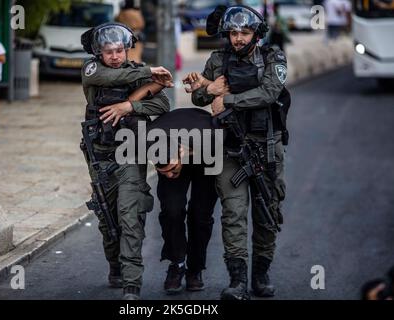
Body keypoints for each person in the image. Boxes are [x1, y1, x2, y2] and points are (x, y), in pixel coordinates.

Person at [190, 5, 289, 300]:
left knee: (267, 214)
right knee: (233, 215)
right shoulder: (218, 60)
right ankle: (237, 280)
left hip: (267, 149)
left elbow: (269, 92)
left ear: (256, 34)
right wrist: (209, 90)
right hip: (230, 150)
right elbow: (198, 95)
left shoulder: (273, 58)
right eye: (233, 33)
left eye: (244, 32)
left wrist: (228, 98)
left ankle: (261, 273)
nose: (238, 38)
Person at [80, 22, 171, 300]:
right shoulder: (92, 70)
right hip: (101, 156)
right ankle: (115, 265)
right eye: (109, 52)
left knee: (130, 217)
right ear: (99, 53)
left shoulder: (137, 73)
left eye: (120, 50)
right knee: (108, 219)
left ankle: (132, 284)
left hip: (131, 154)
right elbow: (108, 79)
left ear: (126, 49)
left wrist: (131, 106)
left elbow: (163, 104)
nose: (116, 56)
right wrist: (147, 73)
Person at [150, 107, 218, 295]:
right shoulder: (149, 139)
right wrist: (166, 167)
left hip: (208, 154)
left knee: (200, 215)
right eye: (165, 172)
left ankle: (195, 269)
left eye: (172, 169)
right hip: (171, 139)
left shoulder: (212, 139)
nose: (170, 175)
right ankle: (177, 263)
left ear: (179, 155)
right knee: (171, 210)